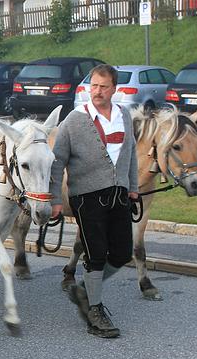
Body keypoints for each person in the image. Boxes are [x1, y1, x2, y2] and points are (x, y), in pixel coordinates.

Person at [49, 64, 138, 339]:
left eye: (103, 87)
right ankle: (95, 312)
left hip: (119, 195)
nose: (97, 92)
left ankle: (85, 292)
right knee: (96, 255)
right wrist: (54, 199)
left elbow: (131, 155)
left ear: (114, 89)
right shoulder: (75, 120)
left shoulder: (124, 116)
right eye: (93, 86)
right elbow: (56, 162)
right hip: (87, 197)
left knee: (122, 253)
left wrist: (132, 187)